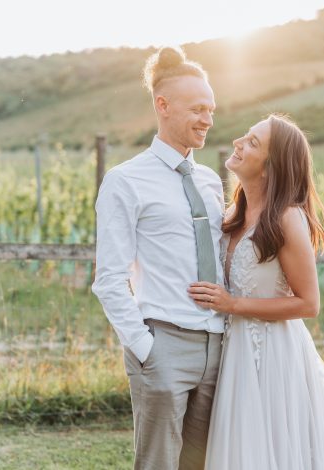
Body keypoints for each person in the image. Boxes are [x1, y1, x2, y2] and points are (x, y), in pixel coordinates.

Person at [188, 114, 324, 469]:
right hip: (233, 352)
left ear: (270, 168)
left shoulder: (287, 218)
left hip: (273, 355)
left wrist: (234, 304)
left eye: (253, 142)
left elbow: (309, 303)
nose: (238, 143)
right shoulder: (232, 213)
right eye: (245, 136)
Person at [92, 46, 225, 470]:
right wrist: (147, 348)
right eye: (197, 109)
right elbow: (109, 279)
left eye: (211, 109)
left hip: (220, 346)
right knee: (158, 464)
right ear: (162, 106)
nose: (207, 119)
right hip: (163, 343)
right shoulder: (125, 181)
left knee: (205, 463)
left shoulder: (210, 181)